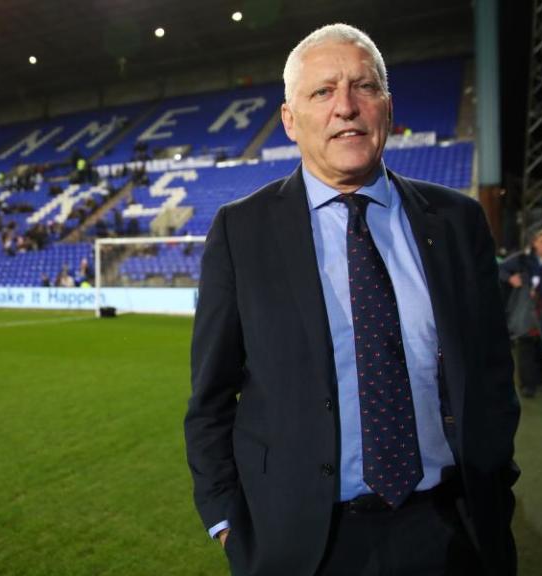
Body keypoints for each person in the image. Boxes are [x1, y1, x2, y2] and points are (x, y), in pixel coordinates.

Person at [184, 24, 519, 576]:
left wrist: (495, 481)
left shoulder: (457, 221)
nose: (345, 107)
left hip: (449, 527)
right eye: (322, 92)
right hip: (303, 543)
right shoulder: (240, 231)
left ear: (386, 107)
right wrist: (225, 521)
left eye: (363, 87)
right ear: (290, 120)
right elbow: (211, 398)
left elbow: (489, 370)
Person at [499, 230, 542, 397]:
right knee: (526, 348)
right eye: (541, 241)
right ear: (534, 243)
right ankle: (528, 385)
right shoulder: (522, 259)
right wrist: (510, 279)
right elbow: (499, 269)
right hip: (527, 312)